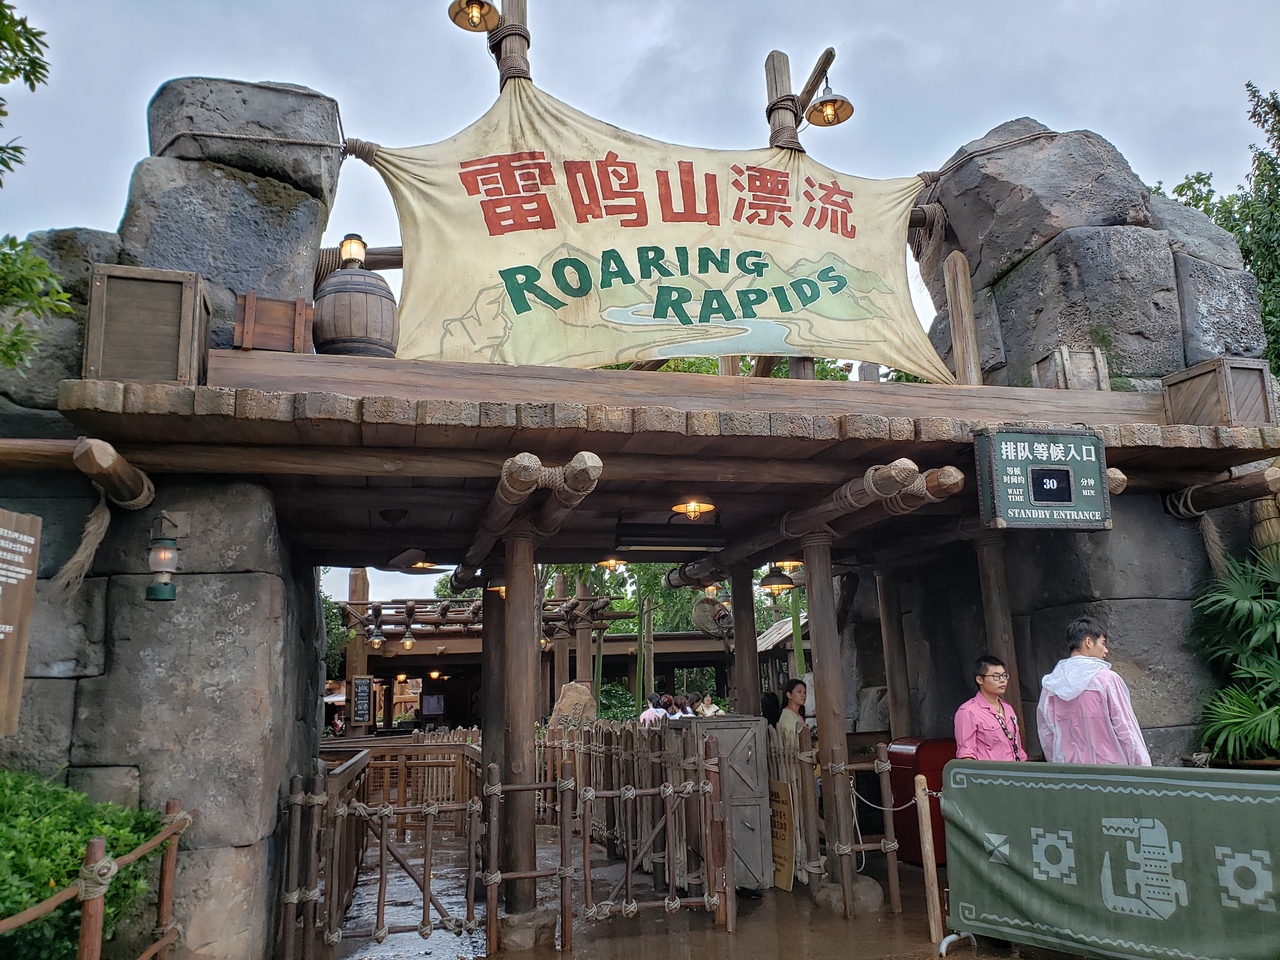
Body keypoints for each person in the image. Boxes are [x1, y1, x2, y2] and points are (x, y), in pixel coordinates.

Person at [1037, 616, 1151, 766]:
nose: (1106, 650)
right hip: (1110, 770)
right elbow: (1126, 729)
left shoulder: (1051, 684)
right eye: (1103, 643)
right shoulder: (1107, 679)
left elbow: (1047, 735)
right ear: (1088, 642)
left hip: (1069, 770)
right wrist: (1142, 767)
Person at [954, 655, 1026, 761]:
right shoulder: (968, 711)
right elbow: (966, 754)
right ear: (980, 679)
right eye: (996, 676)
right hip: (989, 771)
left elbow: (1018, 747)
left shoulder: (1008, 708)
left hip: (1015, 769)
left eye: (1004, 676)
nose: (1002, 680)